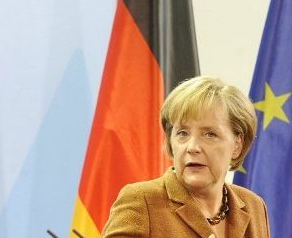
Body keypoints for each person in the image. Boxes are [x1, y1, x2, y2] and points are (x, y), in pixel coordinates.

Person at [102, 76, 270, 238]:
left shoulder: (253, 206)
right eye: (182, 133)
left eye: (210, 134)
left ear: (237, 144)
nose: (192, 147)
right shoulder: (142, 201)